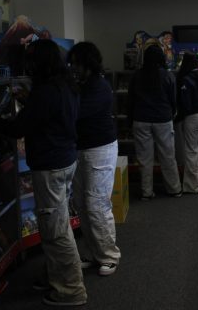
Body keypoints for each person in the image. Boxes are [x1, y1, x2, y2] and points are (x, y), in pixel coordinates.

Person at [0, 39, 86, 306]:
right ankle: (56, 276)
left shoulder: (45, 91)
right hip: (65, 160)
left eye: (31, 61)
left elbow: (17, 129)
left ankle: (71, 289)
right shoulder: (66, 85)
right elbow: (51, 114)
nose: (28, 65)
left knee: (56, 230)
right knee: (56, 225)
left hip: (50, 166)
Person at [67, 41, 121, 277]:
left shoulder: (99, 86)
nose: (74, 68)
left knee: (96, 204)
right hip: (80, 148)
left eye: (77, 63)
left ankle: (109, 255)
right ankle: (93, 252)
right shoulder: (82, 84)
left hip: (100, 149)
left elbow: (76, 113)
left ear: (87, 63)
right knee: (81, 203)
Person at [128, 44, 182, 199]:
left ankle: (146, 192)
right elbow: (173, 99)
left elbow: (130, 101)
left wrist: (130, 120)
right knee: (167, 156)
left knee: (145, 159)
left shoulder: (137, 76)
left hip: (141, 119)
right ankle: (174, 189)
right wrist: (171, 113)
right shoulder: (167, 75)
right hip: (163, 119)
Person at [176, 52, 198, 193]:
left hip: (193, 117)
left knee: (191, 151)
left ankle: (192, 186)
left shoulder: (187, 79)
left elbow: (185, 102)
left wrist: (180, 117)